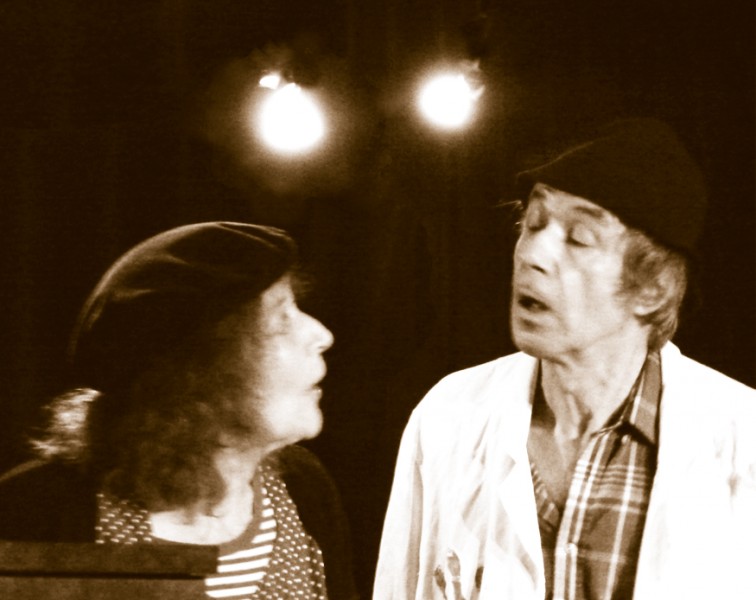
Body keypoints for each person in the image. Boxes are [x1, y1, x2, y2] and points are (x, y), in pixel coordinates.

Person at [373, 118, 756, 599]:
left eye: (579, 238)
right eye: (533, 224)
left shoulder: (742, 437)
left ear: (653, 289)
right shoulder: (448, 415)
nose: (533, 253)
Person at [0, 221, 358, 600]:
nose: (322, 335)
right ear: (202, 374)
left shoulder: (304, 487)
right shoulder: (35, 511)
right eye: (280, 322)